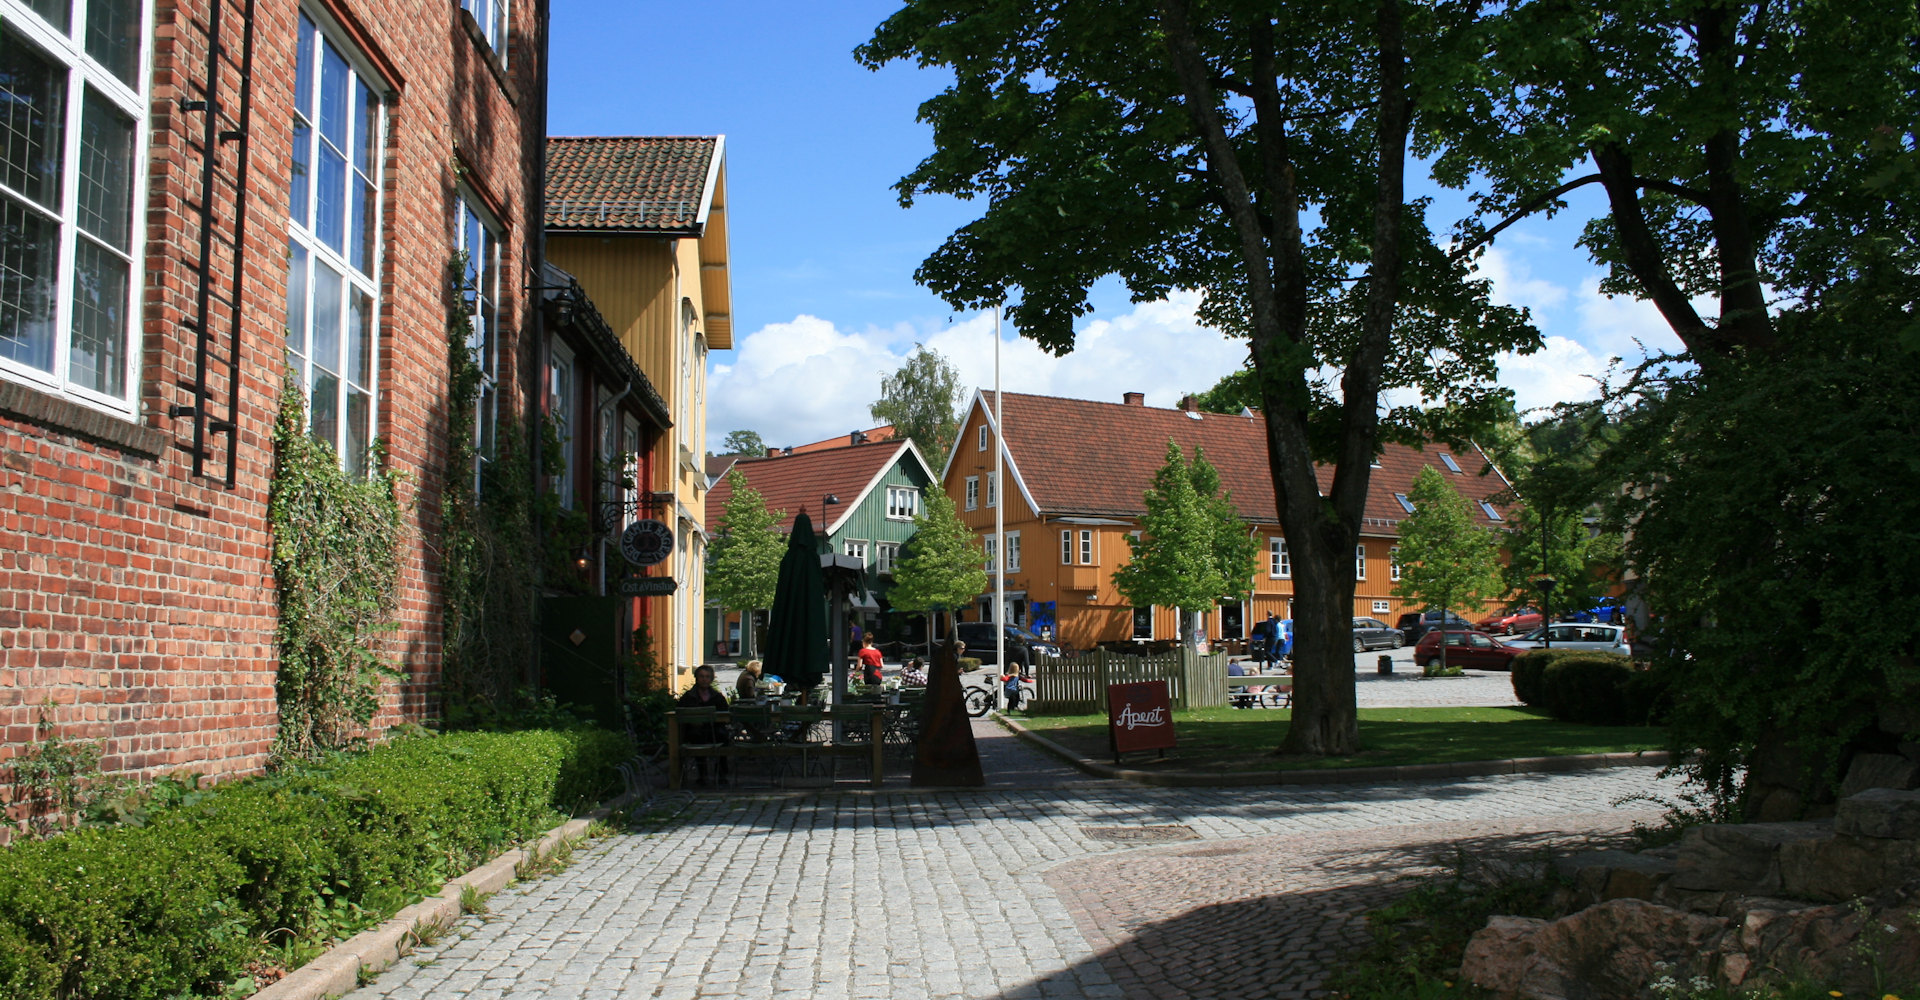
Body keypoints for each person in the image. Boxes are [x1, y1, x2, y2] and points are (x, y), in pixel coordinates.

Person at [677, 665, 730, 786]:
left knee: (723, 737)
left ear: (711, 679)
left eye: (707, 677)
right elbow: (679, 714)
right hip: (695, 733)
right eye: (701, 676)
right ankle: (702, 775)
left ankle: (721, 774)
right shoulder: (688, 697)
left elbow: (726, 716)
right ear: (696, 678)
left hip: (714, 732)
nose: (704, 679)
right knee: (696, 737)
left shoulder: (717, 697)